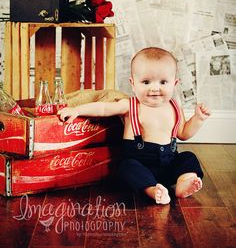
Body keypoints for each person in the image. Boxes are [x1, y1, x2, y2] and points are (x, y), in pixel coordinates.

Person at [58, 47, 211, 205]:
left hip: (168, 164)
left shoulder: (174, 107)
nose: (154, 88)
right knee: (127, 167)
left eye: (163, 82)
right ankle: (152, 190)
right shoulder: (130, 105)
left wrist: (198, 119)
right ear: (133, 83)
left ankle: (184, 181)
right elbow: (103, 108)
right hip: (140, 166)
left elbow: (184, 133)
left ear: (175, 83)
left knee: (188, 157)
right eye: (146, 82)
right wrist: (77, 110)